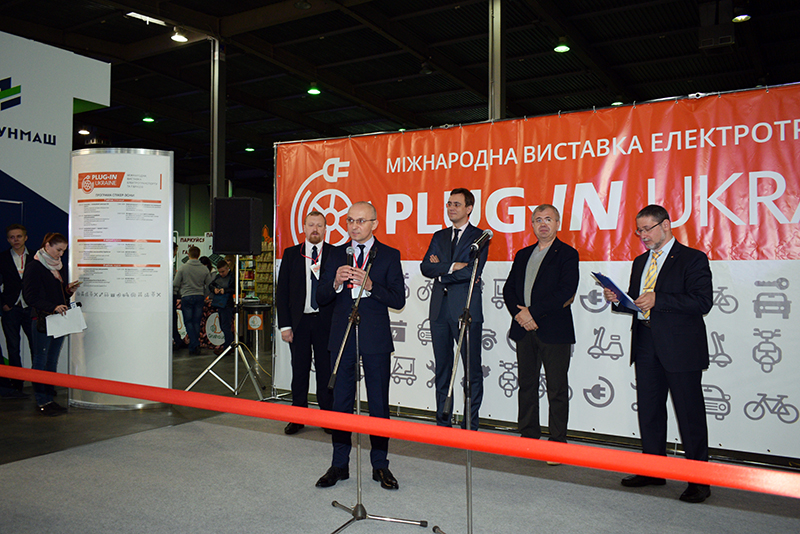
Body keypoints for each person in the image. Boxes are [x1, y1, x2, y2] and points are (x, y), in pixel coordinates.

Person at [602, 204, 713, 504]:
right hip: (645, 342)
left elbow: (702, 302)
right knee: (650, 410)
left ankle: (699, 480)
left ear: (665, 225)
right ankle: (653, 470)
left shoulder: (692, 259)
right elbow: (636, 303)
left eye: (647, 229)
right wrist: (618, 300)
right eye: (639, 231)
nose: (643, 235)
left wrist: (659, 298)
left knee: (689, 414)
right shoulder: (641, 262)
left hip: (680, 347)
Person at [315, 201, 405, 490]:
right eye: (350, 220)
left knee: (378, 403)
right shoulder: (335, 254)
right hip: (342, 335)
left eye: (361, 221)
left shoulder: (389, 255)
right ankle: (339, 464)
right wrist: (335, 283)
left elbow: (398, 299)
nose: (354, 226)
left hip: (375, 336)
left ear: (374, 223)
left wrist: (370, 286)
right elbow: (320, 297)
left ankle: (380, 465)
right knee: (340, 403)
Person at [502, 204, 579, 457]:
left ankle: (557, 443)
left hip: (554, 331)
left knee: (557, 389)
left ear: (558, 224)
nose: (543, 224)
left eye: (548, 219)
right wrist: (521, 316)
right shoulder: (523, 254)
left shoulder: (567, 254)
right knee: (526, 385)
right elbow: (509, 289)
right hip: (524, 330)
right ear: (532, 225)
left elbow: (565, 291)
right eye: (538, 220)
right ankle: (528, 437)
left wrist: (532, 313)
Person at [420, 188, 488, 430]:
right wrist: (452, 267)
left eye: (457, 204)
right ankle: (443, 421)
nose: (451, 208)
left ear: (469, 208)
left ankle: (470, 424)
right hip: (439, 310)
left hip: (465, 309)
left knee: (471, 369)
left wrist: (441, 271)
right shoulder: (439, 236)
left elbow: (472, 271)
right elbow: (426, 267)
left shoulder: (480, 237)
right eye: (449, 203)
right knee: (443, 368)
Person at [276, 211, 334, 435]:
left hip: (325, 323)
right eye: (311, 225)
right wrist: (285, 326)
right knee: (299, 371)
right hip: (298, 324)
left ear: (325, 229)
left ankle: (327, 417)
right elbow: (282, 292)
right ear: (304, 227)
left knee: (325, 372)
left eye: (319, 225)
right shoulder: (291, 254)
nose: (315, 229)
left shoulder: (334, 254)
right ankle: (297, 418)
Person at [22, 233, 80, 416]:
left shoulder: (56, 266)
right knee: (41, 359)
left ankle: (49, 397)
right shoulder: (35, 266)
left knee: (52, 359)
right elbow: (30, 296)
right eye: (58, 250)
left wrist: (67, 291)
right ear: (47, 246)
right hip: (42, 319)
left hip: (58, 319)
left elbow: (54, 294)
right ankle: (42, 400)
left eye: (63, 251)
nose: (60, 254)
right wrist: (52, 307)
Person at [0, 224, 33, 397]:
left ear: (25, 238)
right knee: (13, 348)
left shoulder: (35, 256)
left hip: (31, 308)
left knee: (36, 347)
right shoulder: (2, 258)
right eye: (12, 237)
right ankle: (17, 385)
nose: (16, 240)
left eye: (19, 236)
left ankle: (40, 384)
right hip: (11, 308)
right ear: (8, 240)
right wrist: (3, 303)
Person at [174, 245, 212, 355]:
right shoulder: (204, 269)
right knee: (196, 322)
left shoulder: (183, 268)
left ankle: (194, 344)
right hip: (199, 297)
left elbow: (176, 283)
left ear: (188, 254)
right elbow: (210, 285)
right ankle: (194, 346)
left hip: (186, 297)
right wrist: (204, 295)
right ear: (199, 255)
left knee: (188, 322)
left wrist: (179, 293)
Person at [209, 259, 235, 356]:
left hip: (227, 304)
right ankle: (228, 346)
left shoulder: (232, 277)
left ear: (228, 268)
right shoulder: (217, 277)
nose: (221, 274)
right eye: (219, 272)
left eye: (223, 271)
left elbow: (236, 289)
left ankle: (228, 347)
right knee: (223, 326)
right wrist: (214, 289)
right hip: (220, 304)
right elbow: (210, 285)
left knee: (225, 326)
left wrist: (226, 290)